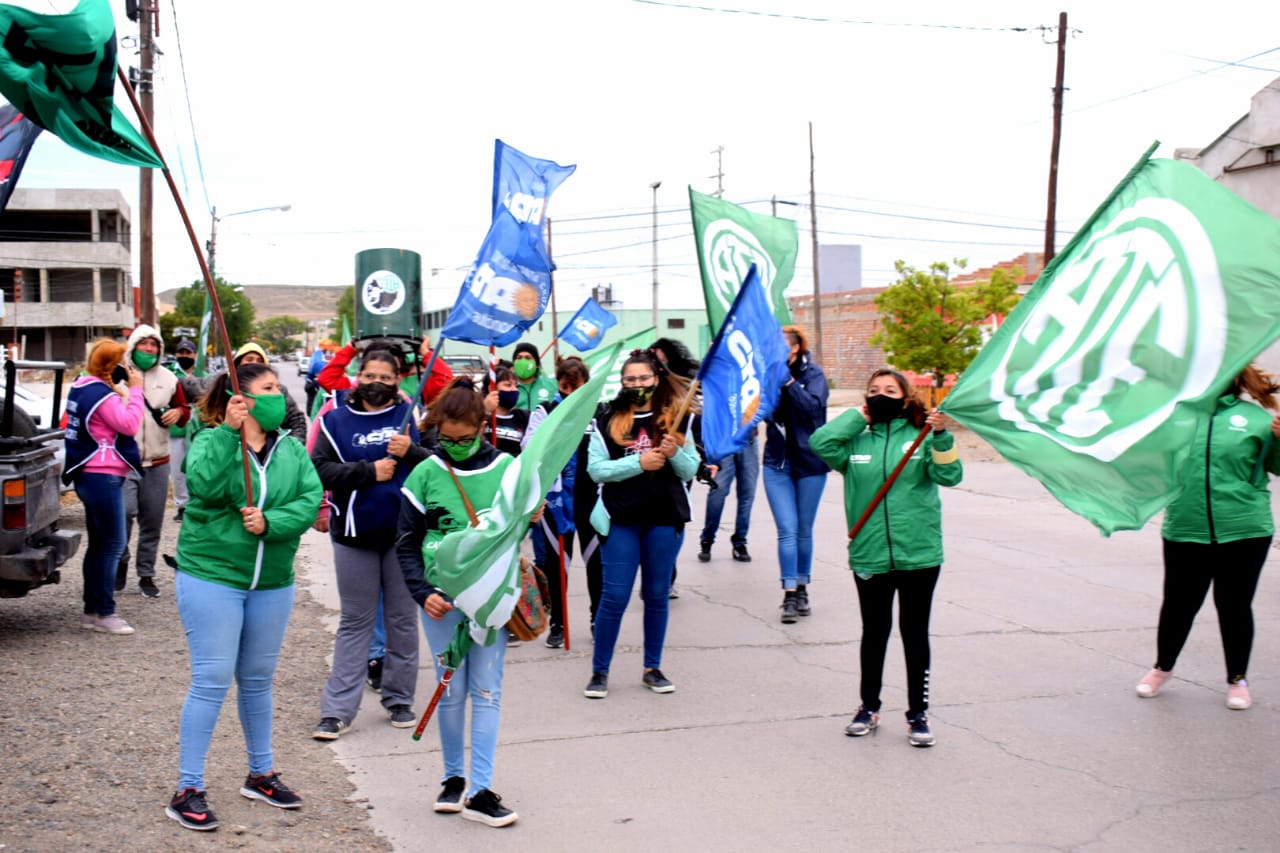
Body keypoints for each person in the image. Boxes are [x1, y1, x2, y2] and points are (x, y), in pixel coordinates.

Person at [166, 361, 323, 831]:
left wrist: (271, 522)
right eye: (269, 388)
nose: (280, 395)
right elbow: (202, 486)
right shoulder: (209, 438)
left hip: (272, 581)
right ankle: (187, 788)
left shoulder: (290, 448)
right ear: (242, 399)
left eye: (279, 387)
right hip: (212, 575)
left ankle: (261, 773)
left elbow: (309, 499)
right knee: (212, 678)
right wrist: (226, 435)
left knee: (257, 679)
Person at [811, 368, 962, 748]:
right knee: (874, 633)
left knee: (915, 634)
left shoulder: (921, 437)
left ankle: (918, 713)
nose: (881, 395)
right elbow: (820, 442)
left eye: (890, 390)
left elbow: (950, 476)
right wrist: (858, 417)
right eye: (874, 390)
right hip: (870, 553)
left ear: (906, 398)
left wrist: (941, 435)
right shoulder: (856, 443)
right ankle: (868, 707)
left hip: (919, 554)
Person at [396, 379, 521, 827]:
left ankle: (481, 790)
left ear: (482, 427)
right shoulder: (425, 472)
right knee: (450, 689)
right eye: (446, 439)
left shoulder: (508, 469)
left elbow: (515, 532)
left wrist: (532, 513)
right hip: (441, 601)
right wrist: (422, 592)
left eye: (464, 439)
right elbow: (406, 542)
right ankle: (453, 779)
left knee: (486, 690)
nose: (455, 447)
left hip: (490, 598)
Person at [1135, 365, 1280, 711]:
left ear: (1235, 375)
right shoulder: (1174, 418)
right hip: (1186, 527)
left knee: (1234, 606)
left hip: (1244, 529)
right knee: (1178, 604)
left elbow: (1277, 466)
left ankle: (1237, 679)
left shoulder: (1258, 420)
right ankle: (1162, 668)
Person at [311, 347, 427, 739]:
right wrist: (369, 471)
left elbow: (436, 464)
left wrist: (411, 451)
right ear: (358, 377)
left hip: (403, 537)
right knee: (355, 622)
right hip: (354, 536)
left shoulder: (409, 416)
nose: (377, 383)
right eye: (370, 376)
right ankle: (337, 711)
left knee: (402, 621)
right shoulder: (335, 420)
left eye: (386, 378)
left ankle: (399, 699)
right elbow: (320, 469)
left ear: (398, 381)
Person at [584, 350, 699, 699]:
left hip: (664, 520)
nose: (637, 385)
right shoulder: (607, 417)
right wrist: (639, 463)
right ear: (622, 382)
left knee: (656, 595)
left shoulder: (676, 417)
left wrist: (674, 454)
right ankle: (600, 671)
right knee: (614, 596)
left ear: (656, 378)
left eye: (644, 378)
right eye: (630, 379)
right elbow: (596, 470)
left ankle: (653, 668)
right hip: (621, 519)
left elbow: (691, 469)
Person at [62, 340, 145, 635]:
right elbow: (129, 425)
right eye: (123, 361)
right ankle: (105, 613)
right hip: (103, 473)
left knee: (99, 545)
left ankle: (92, 610)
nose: (127, 367)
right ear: (112, 365)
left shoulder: (81, 387)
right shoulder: (102, 395)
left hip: (88, 473)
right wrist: (136, 390)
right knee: (113, 544)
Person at [522, 356, 595, 648]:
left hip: (590, 498)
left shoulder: (597, 410)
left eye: (576, 388)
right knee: (556, 565)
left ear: (586, 385)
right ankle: (558, 624)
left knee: (596, 563)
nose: (570, 393)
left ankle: (597, 619)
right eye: (565, 387)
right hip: (556, 500)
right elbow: (529, 446)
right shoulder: (545, 410)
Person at [762, 325, 829, 622]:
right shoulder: (767, 377)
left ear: (795, 348)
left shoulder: (814, 375)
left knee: (803, 529)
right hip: (777, 463)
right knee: (787, 529)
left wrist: (789, 383)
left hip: (810, 463)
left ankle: (802, 588)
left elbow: (812, 409)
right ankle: (789, 593)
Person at [118, 324, 191, 598]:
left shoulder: (169, 378)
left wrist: (178, 414)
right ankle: (120, 562)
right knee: (124, 514)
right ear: (133, 346)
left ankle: (146, 574)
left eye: (154, 345)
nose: (149, 349)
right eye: (144, 343)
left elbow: (184, 409)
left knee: (152, 521)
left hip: (158, 461)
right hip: (124, 462)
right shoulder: (117, 375)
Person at [697, 427, 759, 564]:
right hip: (723, 437)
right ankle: (707, 539)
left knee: (747, 493)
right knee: (718, 491)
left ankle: (740, 541)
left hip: (748, 439)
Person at [234, 343, 308, 441]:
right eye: (249, 359)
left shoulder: (279, 392)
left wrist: (291, 447)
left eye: (259, 361)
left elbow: (296, 421)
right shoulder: (224, 390)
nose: (254, 363)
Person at [168, 337, 204, 522]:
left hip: (199, 429)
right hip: (177, 430)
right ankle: (182, 505)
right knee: (178, 470)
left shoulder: (203, 374)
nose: (185, 356)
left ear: (194, 355)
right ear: (176, 354)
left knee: (198, 467)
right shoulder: (169, 374)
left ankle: (198, 503)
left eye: (188, 353)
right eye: (181, 352)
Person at [484, 364, 528, 457]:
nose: (515, 390)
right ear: (492, 388)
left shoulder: (523, 417)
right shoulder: (477, 415)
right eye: (508, 385)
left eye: (516, 385)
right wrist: (484, 411)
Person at [511, 341, 557, 411]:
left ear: (537, 364)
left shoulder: (552, 384)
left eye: (528, 358)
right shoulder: (507, 387)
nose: (523, 361)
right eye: (519, 358)